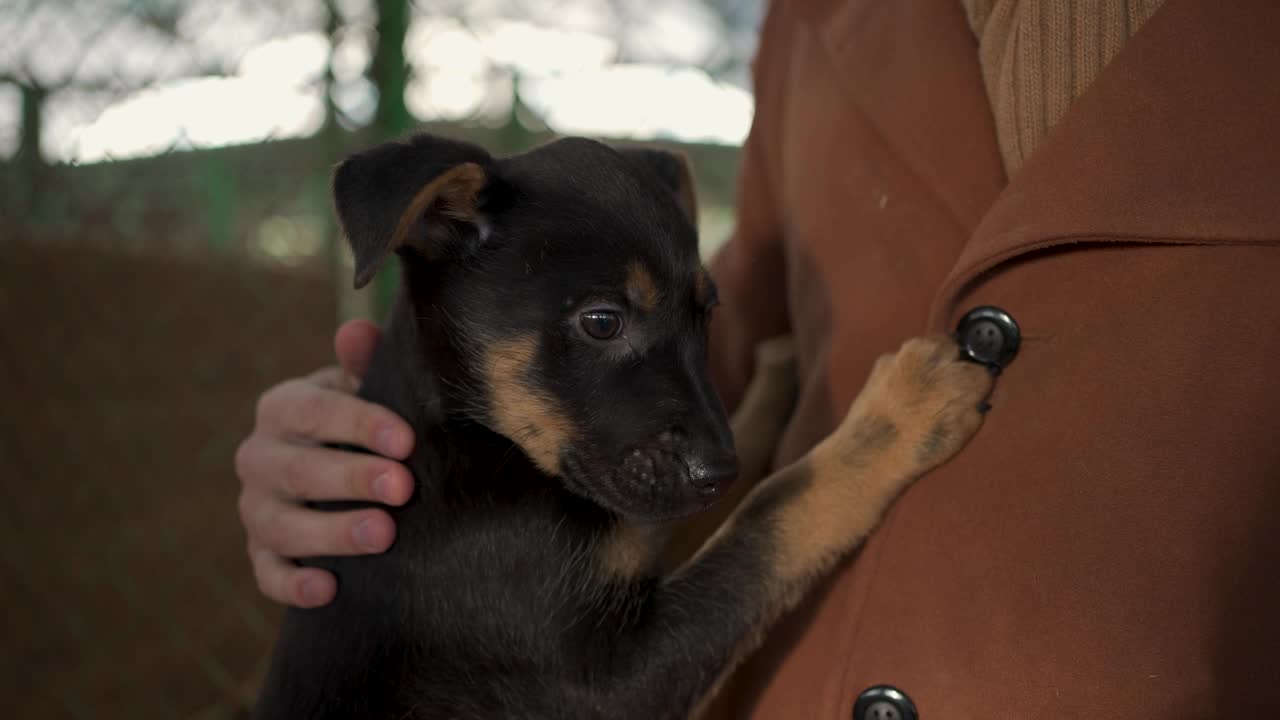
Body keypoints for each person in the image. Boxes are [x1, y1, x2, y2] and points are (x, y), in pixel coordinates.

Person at [235, 1, 1280, 716]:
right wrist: (321, 449)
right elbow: (740, 333)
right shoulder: (813, 22)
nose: (706, 456)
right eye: (603, 326)